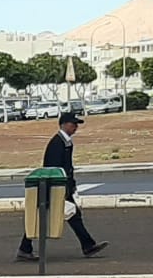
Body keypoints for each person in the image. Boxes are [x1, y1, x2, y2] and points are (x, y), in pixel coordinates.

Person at [17, 111, 107, 261]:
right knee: (42, 217)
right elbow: (52, 169)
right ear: (64, 124)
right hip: (55, 188)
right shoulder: (57, 143)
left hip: (61, 188)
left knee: (70, 215)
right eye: (73, 124)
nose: (76, 127)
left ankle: (87, 245)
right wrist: (60, 189)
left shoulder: (65, 142)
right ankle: (24, 248)